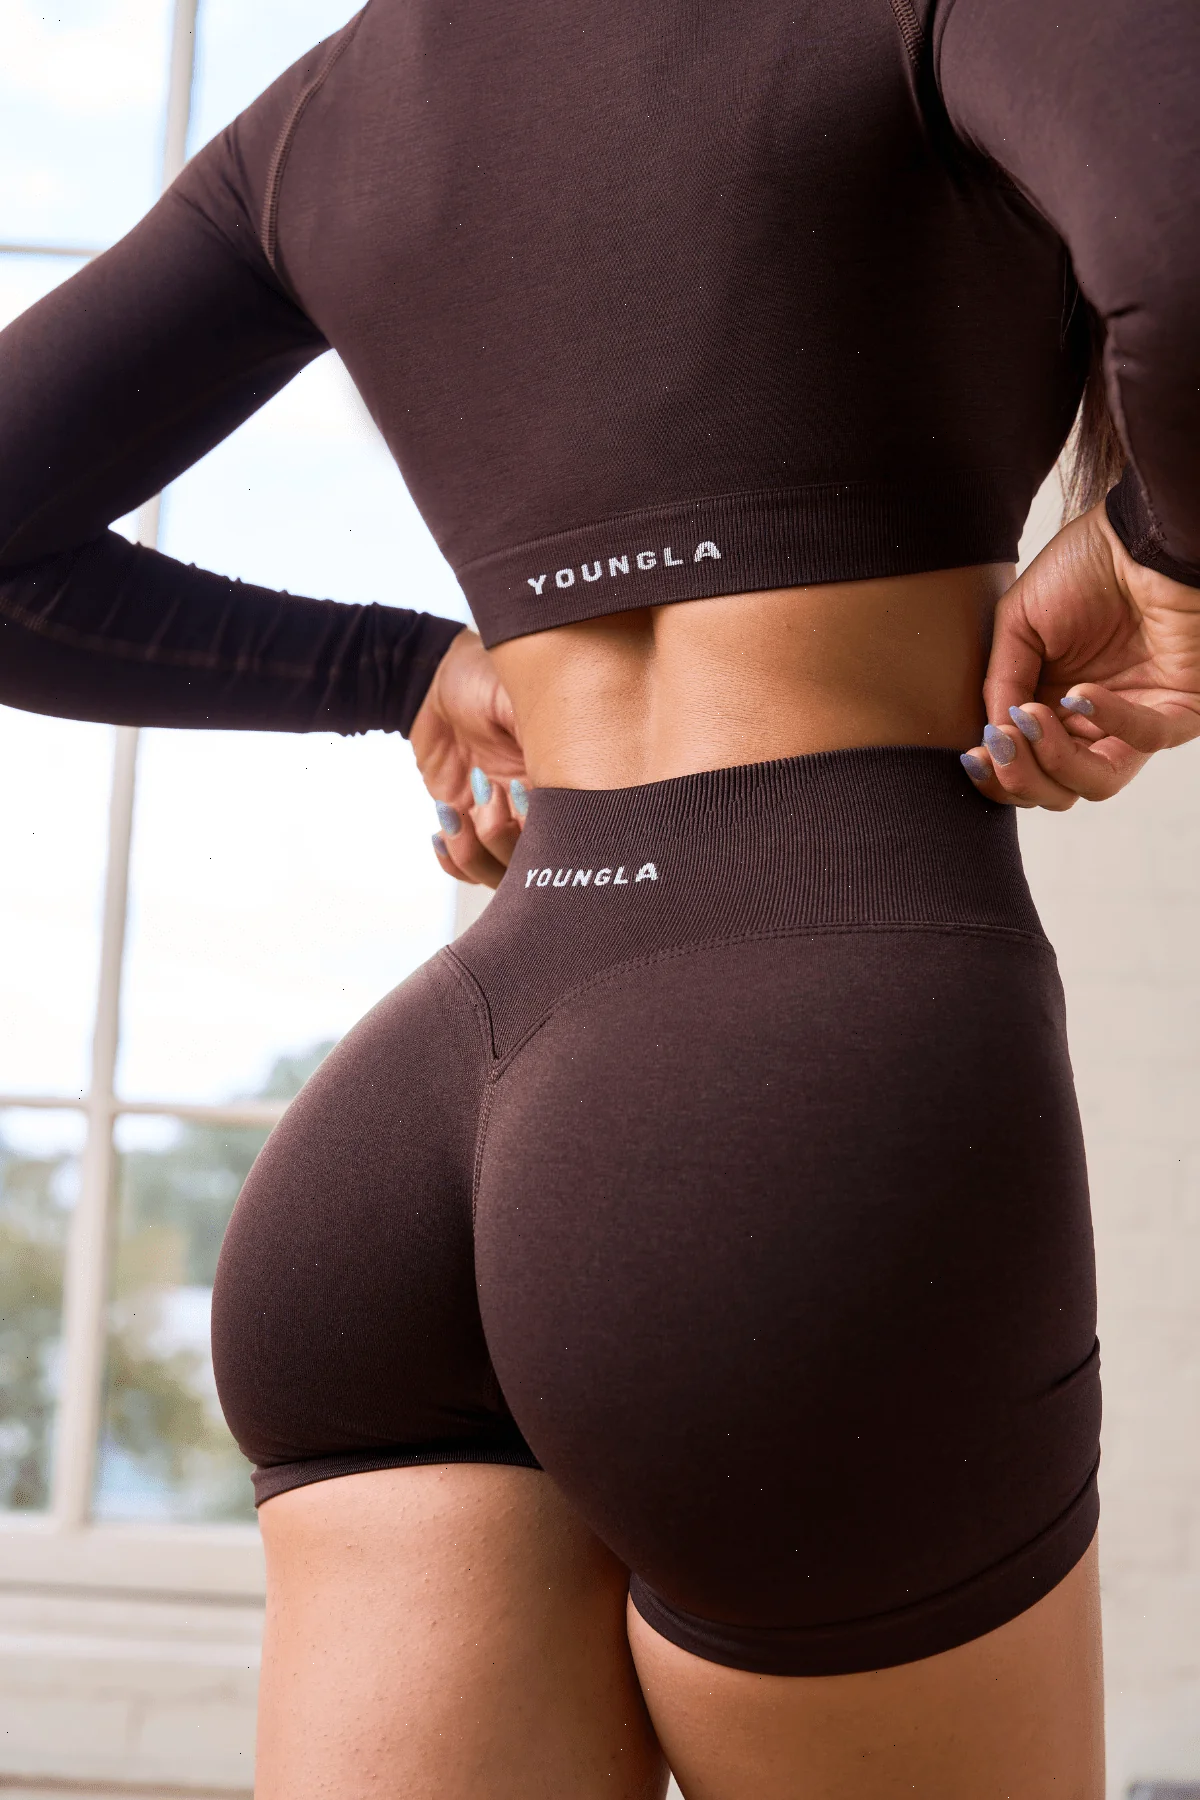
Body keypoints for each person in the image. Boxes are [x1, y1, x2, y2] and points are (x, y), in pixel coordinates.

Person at [1, 0, 1198, 1792]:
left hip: (405, 1145)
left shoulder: (341, 97)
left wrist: (400, 669)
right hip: (801, 1089)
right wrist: (1166, 555)